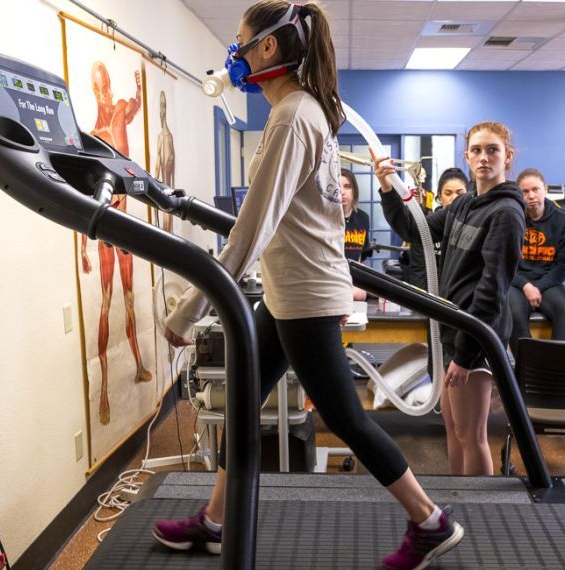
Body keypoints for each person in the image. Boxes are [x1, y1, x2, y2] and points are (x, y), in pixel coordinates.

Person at [150, 3, 463, 568]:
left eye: (240, 42)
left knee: (345, 417)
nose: (235, 54)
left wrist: (188, 311)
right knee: (243, 401)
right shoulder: (304, 110)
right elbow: (277, 220)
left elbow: (254, 225)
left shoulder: (293, 116)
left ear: (268, 49)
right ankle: (218, 520)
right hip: (287, 293)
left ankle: (430, 520)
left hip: (305, 297)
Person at [375, 122, 525, 476]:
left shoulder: (506, 213)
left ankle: (482, 515)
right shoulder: (465, 204)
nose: (484, 157)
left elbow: (492, 291)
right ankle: (459, 495)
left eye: (492, 150)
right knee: (454, 432)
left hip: (475, 339)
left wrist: (466, 356)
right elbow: (416, 230)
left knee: (472, 437)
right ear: (467, 156)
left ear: (508, 156)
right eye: (476, 150)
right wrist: (386, 186)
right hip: (452, 334)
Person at [80, 61, 151, 426]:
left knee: (129, 298)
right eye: (97, 86)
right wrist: (82, 249)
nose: (103, 90)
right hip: (107, 230)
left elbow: (137, 105)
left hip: (126, 226)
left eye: (105, 82)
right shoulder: (92, 134)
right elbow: (84, 200)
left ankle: (139, 366)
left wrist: (139, 87)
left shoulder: (122, 110)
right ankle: (105, 389)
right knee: (107, 302)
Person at [507, 168, 565, 345]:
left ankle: (561, 369)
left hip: (548, 281)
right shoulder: (511, 218)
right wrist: (525, 285)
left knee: (564, 307)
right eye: (525, 191)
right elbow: (503, 263)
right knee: (513, 313)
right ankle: (528, 369)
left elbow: (564, 265)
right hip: (516, 282)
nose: (531, 196)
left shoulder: (561, 220)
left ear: (544, 189)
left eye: (535, 189)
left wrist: (539, 286)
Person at [400, 167, 469, 290]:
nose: (454, 198)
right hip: (431, 300)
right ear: (440, 197)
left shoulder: (474, 226)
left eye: (460, 193)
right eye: (448, 193)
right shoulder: (428, 228)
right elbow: (418, 273)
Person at [340, 168, 371, 301]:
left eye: (347, 187)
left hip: (353, 279)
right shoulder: (325, 220)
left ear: (354, 191)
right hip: (332, 281)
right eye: (336, 186)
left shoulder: (363, 218)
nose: (342, 192)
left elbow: (361, 257)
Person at [153, 90, 176, 232]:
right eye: (160, 107)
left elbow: (170, 162)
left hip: (168, 186)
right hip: (163, 186)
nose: (161, 111)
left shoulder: (168, 137)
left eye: (163, 107)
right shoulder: (161, 137)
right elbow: (158, 161)